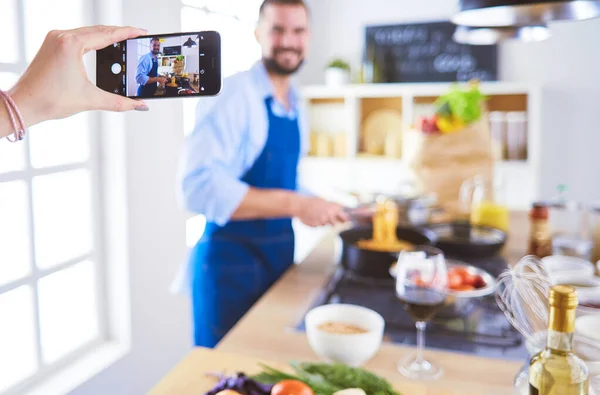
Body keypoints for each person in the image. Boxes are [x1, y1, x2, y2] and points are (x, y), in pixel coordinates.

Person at [177, 0, 349, 348]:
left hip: (277, 262)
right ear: (258, 34)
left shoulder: (293, 101)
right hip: (229, 270)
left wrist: (319, 203)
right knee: (226, 377)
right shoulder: (234, 94)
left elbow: (283, 180)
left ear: (309, 37)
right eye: (278, 29)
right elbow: (197, 187)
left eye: (298, 31)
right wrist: (297, 205)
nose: (288, 41)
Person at [1, 25, 149, 141]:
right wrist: (22, 104)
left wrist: (20, 102)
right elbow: (140, 78)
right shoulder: (145, 59)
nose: (155, 47)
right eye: (154, 45)